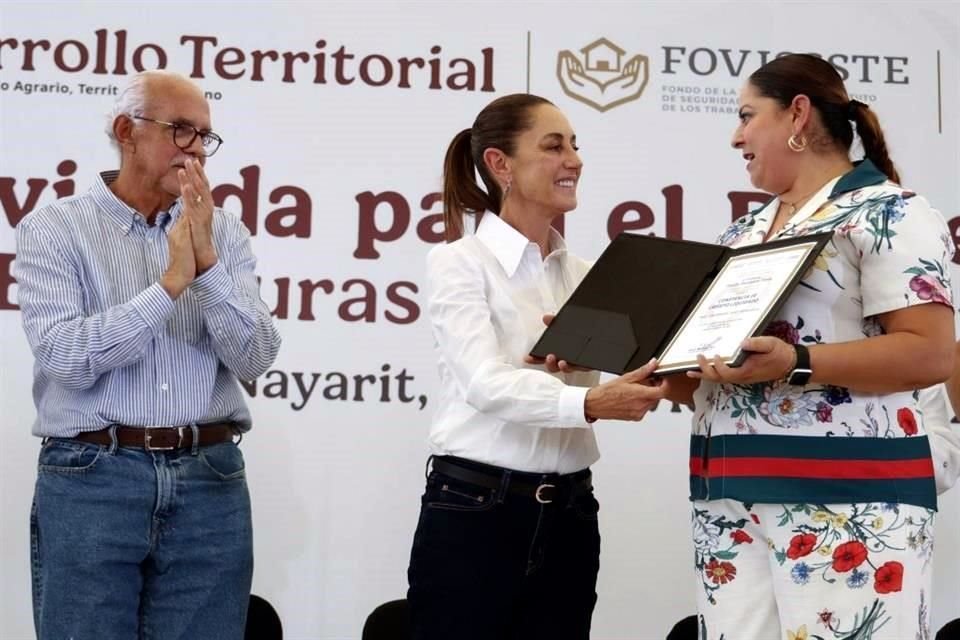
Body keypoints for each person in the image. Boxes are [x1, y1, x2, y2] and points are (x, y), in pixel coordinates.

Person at [662, 54, 955, 638]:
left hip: (848, 500)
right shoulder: (743, 233)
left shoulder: (890, 212)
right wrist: (660, 370)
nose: (736, 136)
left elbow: (930, 354)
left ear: (798, 113)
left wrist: (795, 362)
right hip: (727, 497)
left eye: (748, 116)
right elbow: (717, 371)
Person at [14, 70, 281, 639]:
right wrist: (167, 289)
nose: (194, 150)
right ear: (124, 131)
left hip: (210, 476)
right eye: (179, 130)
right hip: (92, 476)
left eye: (204, 136)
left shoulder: (224, 233)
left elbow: (256, 357)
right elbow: (65, 357)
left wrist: (206, 267)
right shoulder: (55, 228)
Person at [406, 93, 665, 640]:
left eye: (574, 145)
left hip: (572, 511)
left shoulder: (588, 273)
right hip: (475, 510)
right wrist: (590, 401)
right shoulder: (457, 262)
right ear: (500, 164)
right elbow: (482, 382)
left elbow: (639, 361)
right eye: (554, 146)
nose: (573, 159)